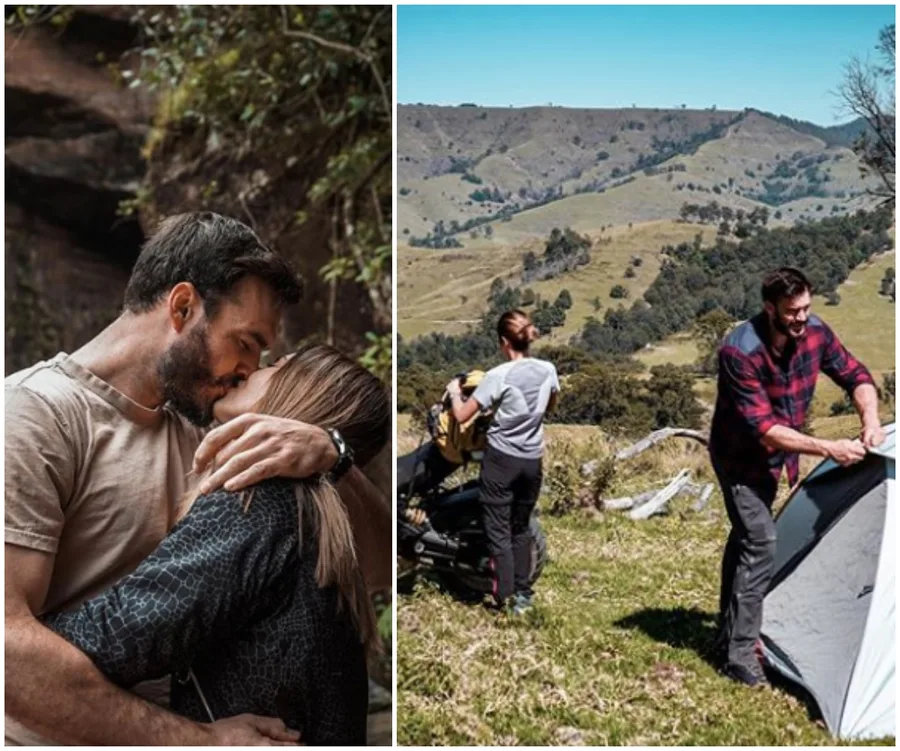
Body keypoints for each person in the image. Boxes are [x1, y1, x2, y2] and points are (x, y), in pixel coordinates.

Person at [5, 212, 387, 745]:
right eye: (247, 342)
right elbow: (8, 655)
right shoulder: (33, 415)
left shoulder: (219, 428)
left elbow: (385, 563)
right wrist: (197, 740)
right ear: (183, 307)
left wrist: (332, 450)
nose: (250, 369)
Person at [42, 344, 390, 746]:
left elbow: (110, 640)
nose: (252, 368)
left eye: (275, 365)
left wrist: (19, 629)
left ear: (302, 390)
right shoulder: (322, 518)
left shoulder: (259, 502)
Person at [709, 267, 885, 687]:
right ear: (769, 307)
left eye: (806, 307)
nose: (801, 318)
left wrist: (871, 417)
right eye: (791, 312)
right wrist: (830, 448)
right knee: (761, 540)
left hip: (777, 459)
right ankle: (739, 657)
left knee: (747, 539)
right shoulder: (740, 352)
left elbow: (856, 376)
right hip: (741, 460)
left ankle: (727, 630)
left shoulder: (817, 333)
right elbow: (765, 429)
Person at [446, 309, 559, 614]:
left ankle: (504, 599)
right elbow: (549, 404)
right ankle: (524, 597)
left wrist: (454, 392)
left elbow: (461, 415)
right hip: (532, 460)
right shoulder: (548, 369)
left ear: (504, 342)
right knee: (520, 528)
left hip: (501, 462)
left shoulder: (498, 375)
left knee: (497, 533)